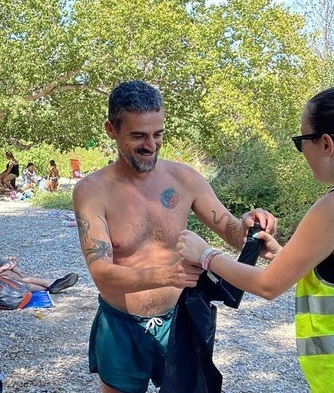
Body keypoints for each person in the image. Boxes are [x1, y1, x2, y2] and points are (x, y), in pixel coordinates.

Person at [176, 85, 334, 393]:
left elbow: (267, 285)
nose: (301, 151)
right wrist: (285, 254)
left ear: (325, 144)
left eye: (301, 141)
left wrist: (205, 255)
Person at [72, 80, 277, 393]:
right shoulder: (91, 191)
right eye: (138, 135)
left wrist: (250, 225)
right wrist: (168, 274)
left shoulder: (185, 179)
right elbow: (102, 274)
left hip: (179, 321)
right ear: (111, 130)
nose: (151, 145)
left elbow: (232, 232)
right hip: (121, 327)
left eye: (158, 134)